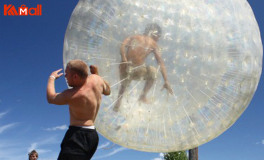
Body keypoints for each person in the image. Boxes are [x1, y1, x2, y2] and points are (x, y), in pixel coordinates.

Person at [46, 59, 111, 160]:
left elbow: (51, 98)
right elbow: (108, 91)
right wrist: (97, 74)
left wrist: (52, 77)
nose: (65, 76)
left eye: (67, 74)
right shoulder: (97, 80)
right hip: (93, 136)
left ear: (75, 76)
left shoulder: (73, 94)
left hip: (77, 137)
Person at [113, 23, 173, 112]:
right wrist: (166, 81)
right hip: (137, 70)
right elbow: (160, 62)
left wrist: (124, 58)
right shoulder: (153, 44)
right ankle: (143, 96)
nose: (159, 39)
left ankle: (118, 103)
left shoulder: (134, 37)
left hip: (126, 68)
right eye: (159, 37)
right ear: (155, 34)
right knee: (153, 72)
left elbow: (122, 45)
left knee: (124, 85)